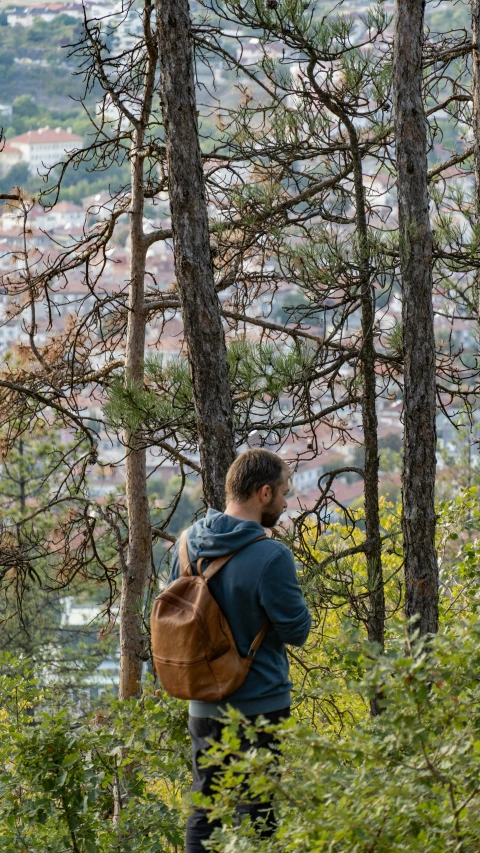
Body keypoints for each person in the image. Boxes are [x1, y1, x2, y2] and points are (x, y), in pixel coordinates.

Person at [167, 448, 312, 853]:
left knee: (205, 811)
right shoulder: (272, 556)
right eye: (283, 493)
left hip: (202, 705)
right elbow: (296, 630)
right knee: (261, 813)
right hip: (261, 705)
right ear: (263, 493)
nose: (285, 502)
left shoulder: (186, 545)